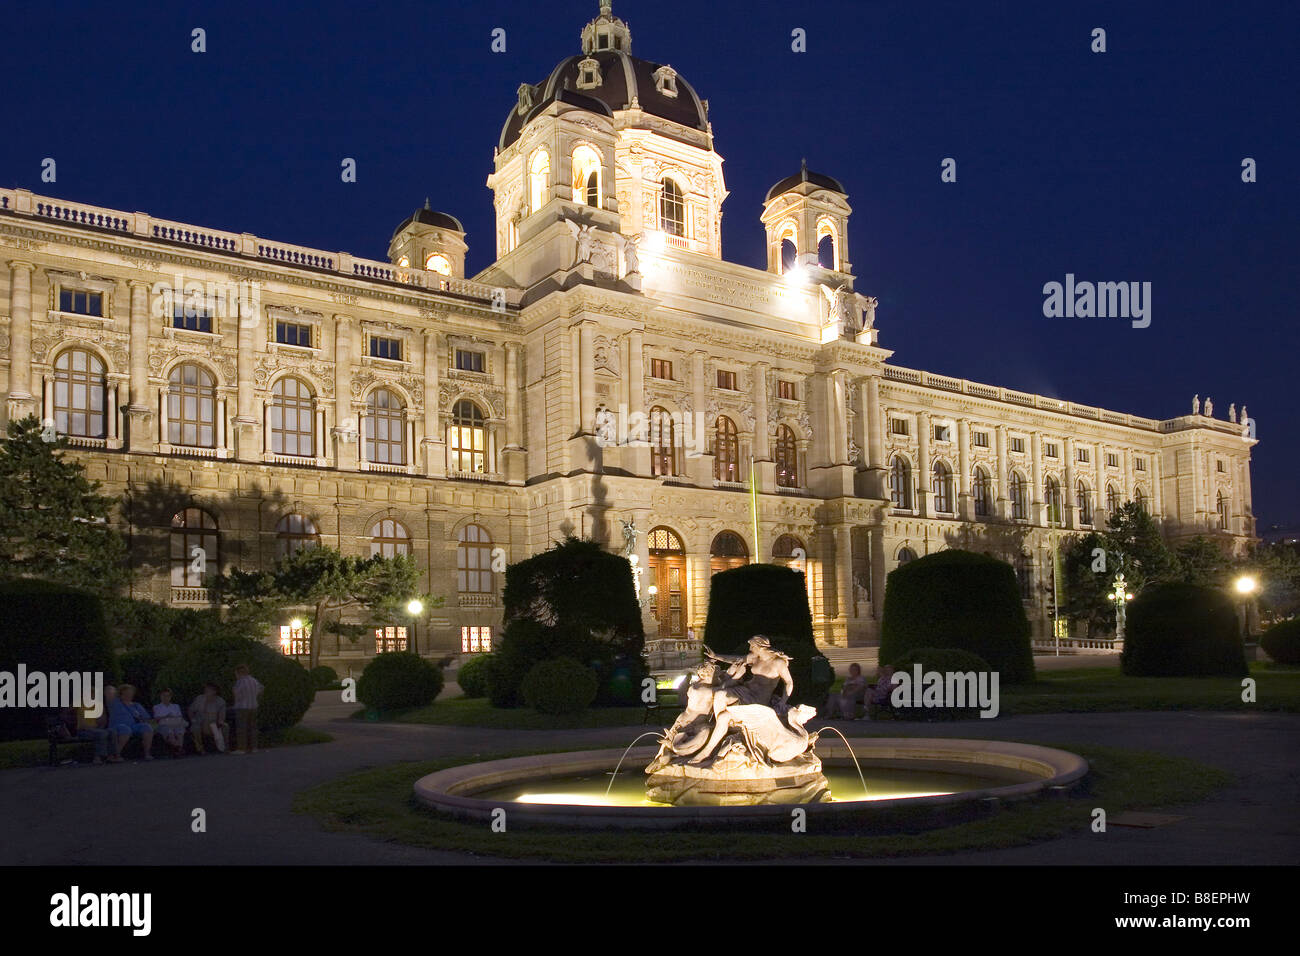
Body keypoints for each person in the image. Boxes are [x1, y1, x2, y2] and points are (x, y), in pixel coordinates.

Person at [108, 684, 155, 761]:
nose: (128, 695)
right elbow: (109, 689)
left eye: (130, 693)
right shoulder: (115, 702)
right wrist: (117, 693)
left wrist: (140, 718)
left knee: (147, 727)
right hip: (117, 726)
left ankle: (147, 753)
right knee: (126, 729)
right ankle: (115, 755)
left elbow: (146, 718)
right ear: (121, 694)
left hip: (133, 726)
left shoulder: (136, 705)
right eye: (126, 693)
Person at [231, 665, 264, 755]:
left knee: (241, 728)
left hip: (242, 707)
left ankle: (241, 748)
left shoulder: (240, 682)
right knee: (252, 728)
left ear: (238, 672)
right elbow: (261, 689)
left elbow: (237, 694)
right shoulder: (254, 681)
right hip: (253, 706)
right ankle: (254, 747)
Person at [188, 683, 229, 754]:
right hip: (200, 722)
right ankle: (200, 749)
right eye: (205, 690)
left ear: (214, 691)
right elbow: (190, 710)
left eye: (208, 690)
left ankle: (225, 747)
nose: (206, 692)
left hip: (214, 724)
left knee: (225, 727)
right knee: (195, 728)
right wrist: (193, 719)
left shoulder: (220, 701)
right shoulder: (199, 698)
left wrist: (220, 722)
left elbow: (222, 716)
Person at [152, 688, 188, 757]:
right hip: (164, 725)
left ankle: (177, 750)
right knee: (169, 731)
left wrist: (173, 717)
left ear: (170, 697)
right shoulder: (156, 707)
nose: (166, 698)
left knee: (180, 730)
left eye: (167, 696)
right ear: (161, 696)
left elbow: (179, 717)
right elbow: (156, 719)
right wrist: (166, 716)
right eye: (164, 696)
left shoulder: (175, 706)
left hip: (175, 723)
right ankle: (179, 748)